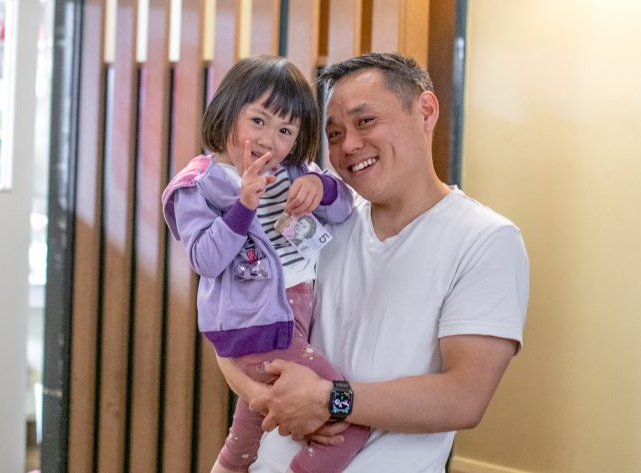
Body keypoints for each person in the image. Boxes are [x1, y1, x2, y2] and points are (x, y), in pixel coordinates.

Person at [216, 52, 529, 472]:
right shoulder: (316, 222)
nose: (349, 145)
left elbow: (464, 397)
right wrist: (267, 397)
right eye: (335, 132)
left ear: (425, 110)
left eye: (365, 122)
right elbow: (233, 333)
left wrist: (328, 398)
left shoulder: (485, 239)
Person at [162, 56, 371, 473]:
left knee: (247, 433)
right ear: (229, 110)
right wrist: (242, 206)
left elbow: (346, 207)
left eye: (285, 130)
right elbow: (205, 259)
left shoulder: (294, 172)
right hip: (256, 325)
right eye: (258, 120)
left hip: (290, 319)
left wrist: (321, 186)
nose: (269, 140)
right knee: (351, 421)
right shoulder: (199, 185)